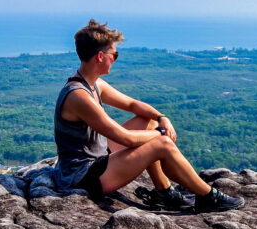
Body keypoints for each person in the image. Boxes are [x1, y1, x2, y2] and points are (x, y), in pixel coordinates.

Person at [54, 19, 243, 212]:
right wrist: (161, 134)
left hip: (96, 158)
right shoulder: (78, 96)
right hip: (82, 177)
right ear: (100, 57)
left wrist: (161, 118)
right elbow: (125, 138)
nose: (116, 59)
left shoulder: (94, 85)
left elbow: (132, 104)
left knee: (148, 122)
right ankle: (208, 196)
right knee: (162, 144)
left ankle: (164, 193)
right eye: (115, 55)